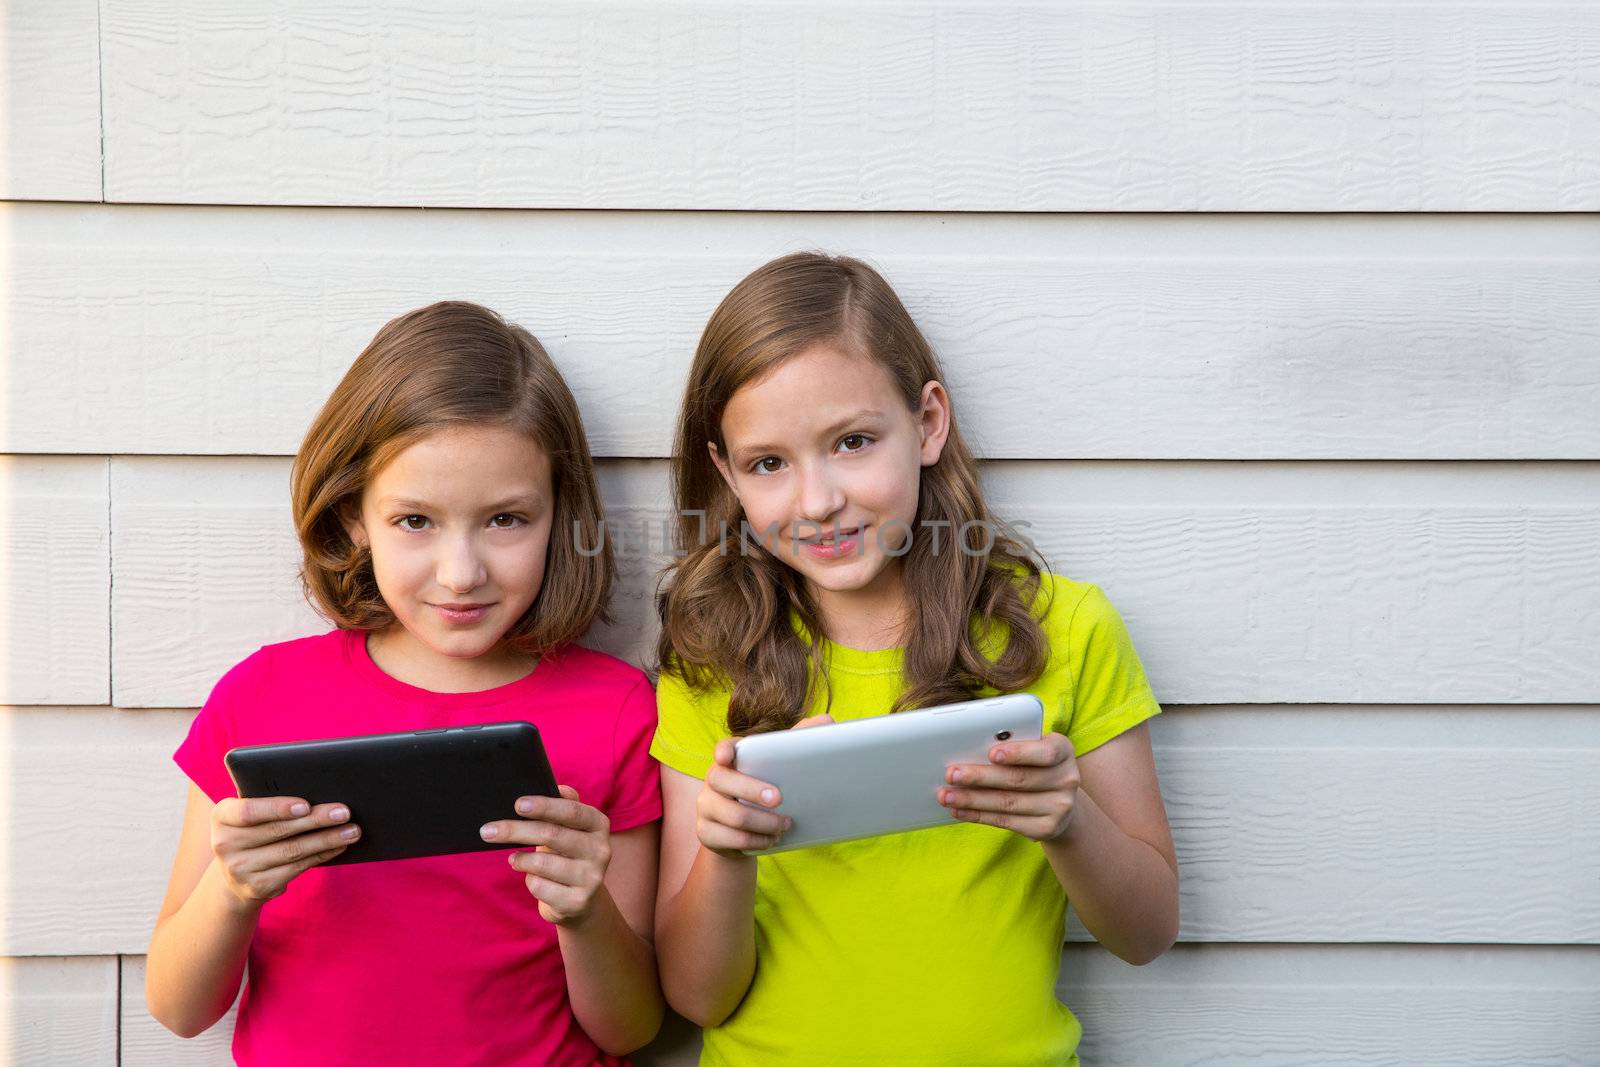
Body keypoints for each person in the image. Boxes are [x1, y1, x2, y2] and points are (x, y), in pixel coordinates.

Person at [651, 253, 1180, 1065]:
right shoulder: (714, 656)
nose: (818, 499)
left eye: (853, 442)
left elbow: (1147, 931)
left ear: (929, 422)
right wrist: (726, 853)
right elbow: (695, 996)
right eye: (769, 464)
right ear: (725, 471)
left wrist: (1069, 823)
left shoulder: (1065, 629)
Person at [146, 301, 664, 1066]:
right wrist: (233, 888)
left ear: (561, 514)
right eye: (416, 521)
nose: (462, 573)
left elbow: (632, 1028)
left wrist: (584, 912)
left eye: (507, 520)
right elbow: (178, 1007)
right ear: (355, 515)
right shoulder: (261, 699)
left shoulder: (615, 709)